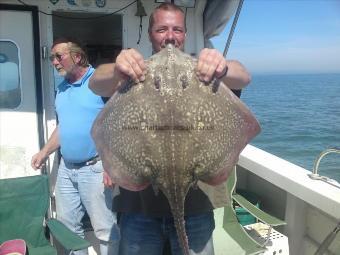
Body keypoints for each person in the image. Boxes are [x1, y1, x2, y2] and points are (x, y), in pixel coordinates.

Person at [89, 3, 251, 255]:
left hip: (195, 209)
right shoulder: (135, 73)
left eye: (177, 29)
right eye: (161, 29)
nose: (170, 36)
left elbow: (243, 76)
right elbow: (96, 81)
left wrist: (223, 65)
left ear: (185, 34)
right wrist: (118, 65)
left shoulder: (203, 72)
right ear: (151, 34)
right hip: (139, 210)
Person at [31, 38, 119, 255]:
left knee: (106, 230)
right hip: (66, 170)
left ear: (77, 57)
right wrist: (44, 152)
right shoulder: (62, 89)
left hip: (95, 168)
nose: (54, 62)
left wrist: (112, 164)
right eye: (52, 58)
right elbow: (64, 127)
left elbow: (117, 124)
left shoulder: (99, 82)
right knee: (68, 229)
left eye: (58, 56)